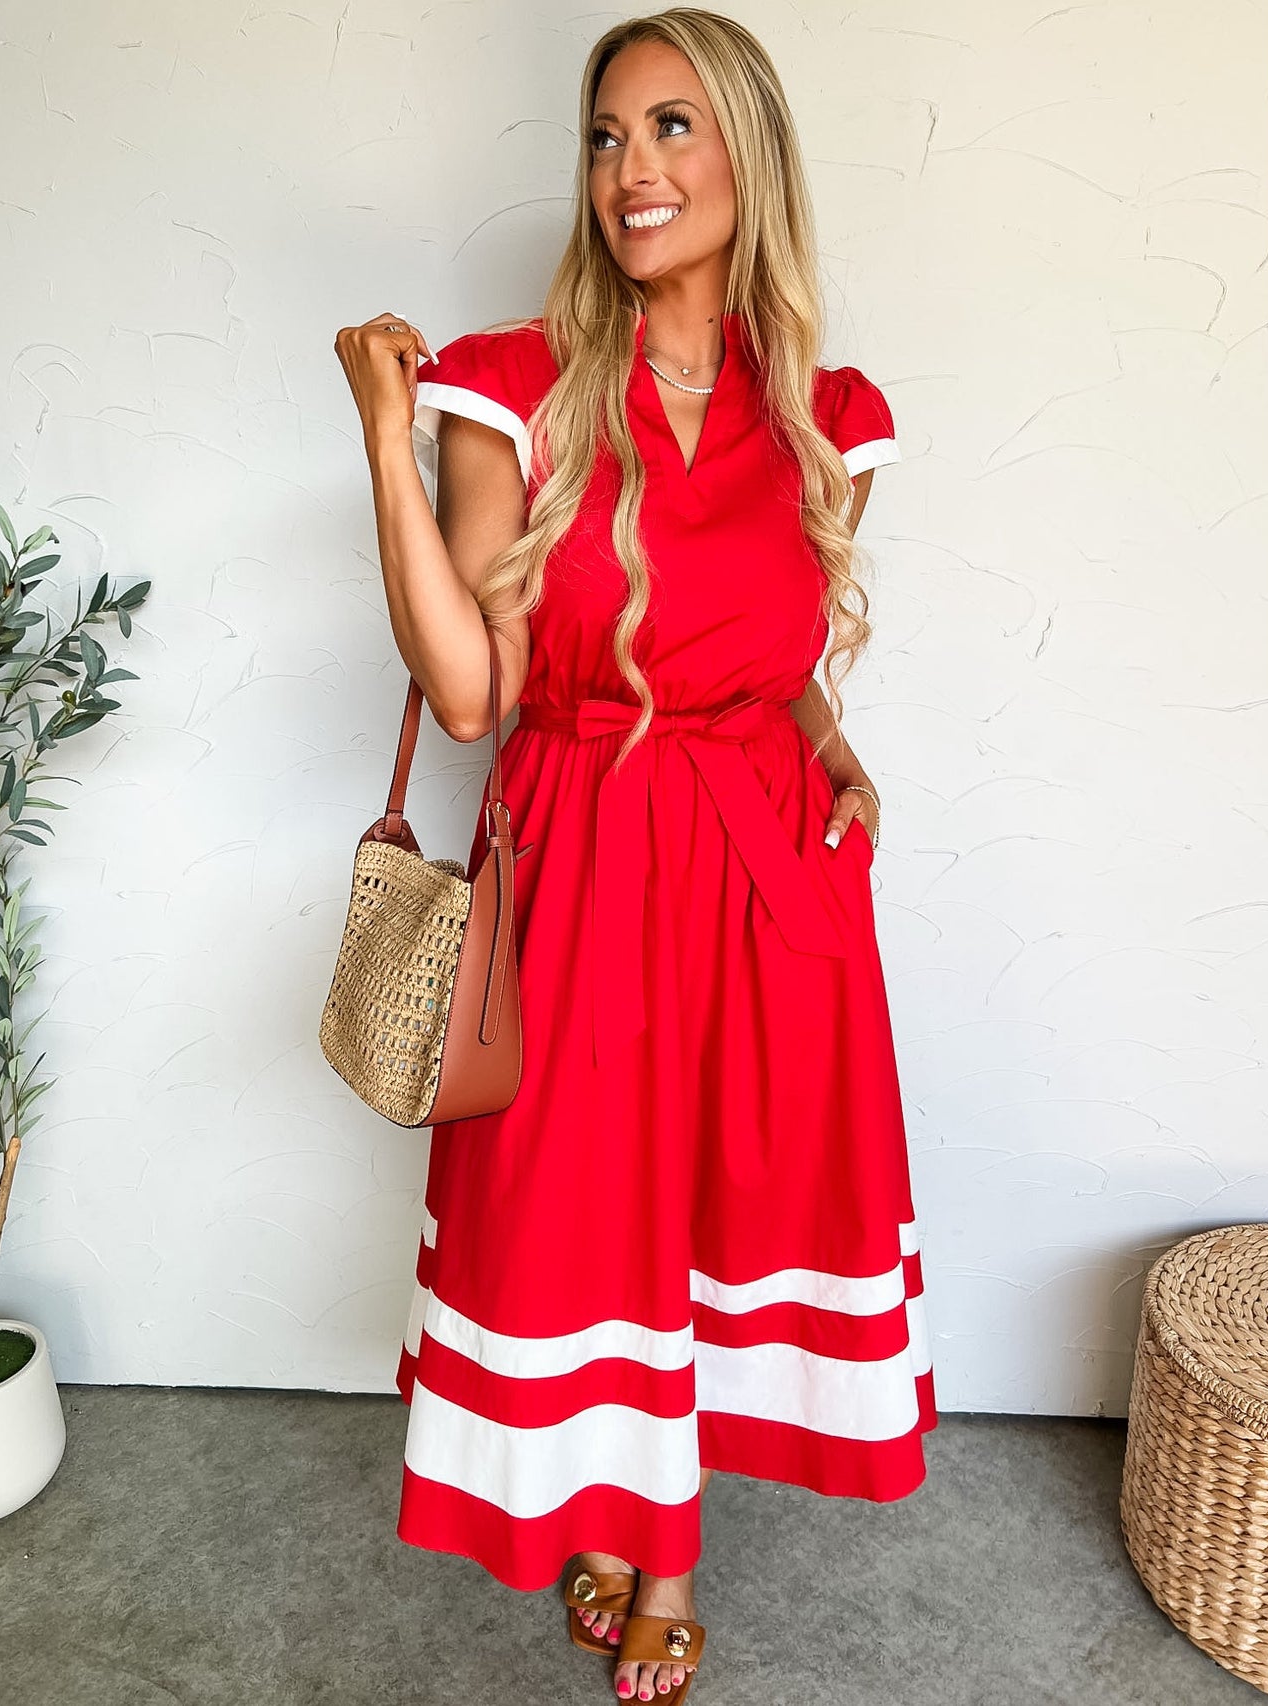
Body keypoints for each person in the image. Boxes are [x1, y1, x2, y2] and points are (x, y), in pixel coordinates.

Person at [334, 9, 937, 1701]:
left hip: (764, 871)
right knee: (587, 1216)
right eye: (606, 136)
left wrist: (832, 739)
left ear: (751, 157)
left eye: (673, 127)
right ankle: (614, 1504)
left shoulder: (826, 415)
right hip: (582, 862)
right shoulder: (510, 388)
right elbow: (475, 694)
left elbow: (773, 642)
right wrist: (384, 436)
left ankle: (666, 1551)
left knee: (721, 1211)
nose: (632, 169)